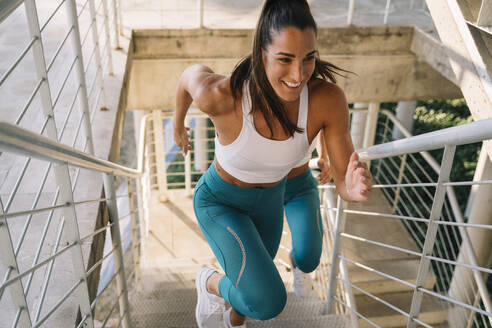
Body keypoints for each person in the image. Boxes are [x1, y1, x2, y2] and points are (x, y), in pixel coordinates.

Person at [173, 1, 372, 327]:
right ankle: (208, 282)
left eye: (308, 58)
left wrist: (349, 187)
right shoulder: (222, 96)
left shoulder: (327, 99)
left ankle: (232, 323)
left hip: (270, 200)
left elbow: (342, 180)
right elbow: (187, 77)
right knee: (267, 301)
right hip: (220, 202)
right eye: (285, 59)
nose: (299, 75)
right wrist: (177, 124)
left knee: (254, 289)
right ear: (261, 53)